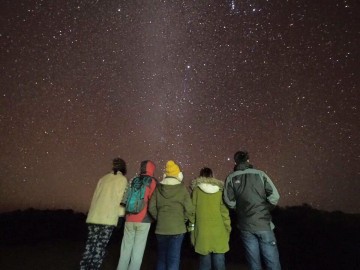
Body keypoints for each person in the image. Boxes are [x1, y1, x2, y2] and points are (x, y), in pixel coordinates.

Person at [223, 150, 281, 270]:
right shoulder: (261, 174)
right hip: (264, 224)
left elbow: (229, 201)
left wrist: (239, 209)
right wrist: (265, 209)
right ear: (248, 160)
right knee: (272, 262)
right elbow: (275, 196)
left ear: (235, 162)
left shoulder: (231, 178)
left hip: (245, 225)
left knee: (253, 263)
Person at [80, 157, 128, 270]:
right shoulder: (122, 180)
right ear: (123, 168)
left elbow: (95, 197)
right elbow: (122, 200)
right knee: (99, 248)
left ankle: (83, 267)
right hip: (108, 218)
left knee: (89, 245)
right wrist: (121, 216)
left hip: (94, 217)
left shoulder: (103, 178)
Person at [149, 160, 195, 270]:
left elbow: (151, 207)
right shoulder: (182, 189)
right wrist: (182, 220)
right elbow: (190, 209)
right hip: (178, 229)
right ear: (179, 175)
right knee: (173, 259)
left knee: (161, 258)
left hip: (161, 229)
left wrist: (159, 218)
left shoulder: (158, 189)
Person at [116, 160, 157, 270]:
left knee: (125, 250)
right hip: (144, 220)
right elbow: (154, 201)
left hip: (129, 218)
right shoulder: (152, 181)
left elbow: (125, 199)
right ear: (152, 169)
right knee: (138, 252)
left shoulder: (133, 179)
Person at [190, 167, 231, 270]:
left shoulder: (196, 191)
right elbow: (224, 213)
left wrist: (191, 232)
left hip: (202, 233)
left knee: (204, 265)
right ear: (212, 175)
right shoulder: (220, 191)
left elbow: (191, 213)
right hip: (219, 233)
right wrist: (227, 230)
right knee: (220, 264)